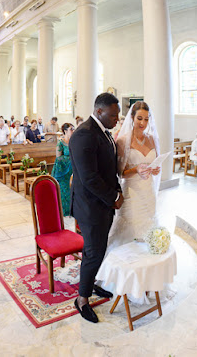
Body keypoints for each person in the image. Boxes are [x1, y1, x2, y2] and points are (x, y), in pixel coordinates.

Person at [97, 102, 165, 304]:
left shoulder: (152, 139)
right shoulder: (123, 140)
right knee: (130, 235)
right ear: (132, 118)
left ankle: (144, 281)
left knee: (146, 235)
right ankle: (124, 281)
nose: (143, 123)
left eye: (146, 119)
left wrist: (154, 170)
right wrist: (137, 170)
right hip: (133, 193)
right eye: (139, 118)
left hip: (148, 194)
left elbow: (156, 165)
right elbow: (120, 173)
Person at [70, 92, 123, 323]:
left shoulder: (104, 133)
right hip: (91, 207)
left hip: (102, 203)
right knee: (93, 252)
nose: (117, 119)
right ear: (99, 111)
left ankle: (91, 285)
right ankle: (81, 299)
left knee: (99, 248)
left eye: (118, 115)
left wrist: (117, 190)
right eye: (113, 115)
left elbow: (108, 169)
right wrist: (113, 197)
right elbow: (89, 178)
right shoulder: (84, 135)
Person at [51, 123, 74, 216]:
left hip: (73, 170)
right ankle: (64, 210)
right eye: (71, 129)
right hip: (63, 171)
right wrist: (70, 159)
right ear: (65, 131)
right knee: (64, 190)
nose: (73, 131)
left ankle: (73, 210)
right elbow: (58, 158)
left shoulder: (74, 141)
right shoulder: (60, 142)